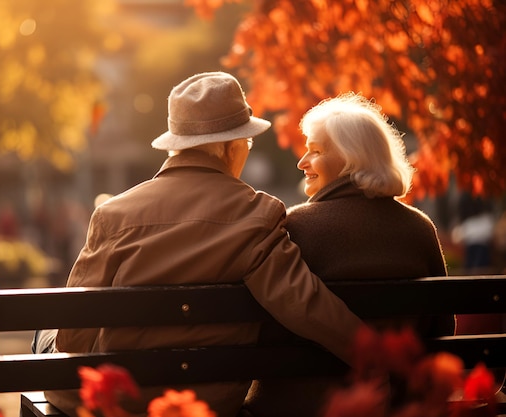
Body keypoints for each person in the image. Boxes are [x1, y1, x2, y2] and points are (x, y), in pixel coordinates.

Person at [34, 72, 363, 417]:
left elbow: (71, 337)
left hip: (117, 402)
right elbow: (305, 305)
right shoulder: (258, 214)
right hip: (207, 404)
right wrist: (374, 355)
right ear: (231, 147)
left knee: (47, 330)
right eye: (247, 144)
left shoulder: (112, 214)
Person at [243, 92, 452, 417]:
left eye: (315, 151)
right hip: (393, 405)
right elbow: (442, 329)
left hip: (297, 408)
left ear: (352, 158)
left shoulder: (293, 228)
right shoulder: (419, 229)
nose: (302, 162)